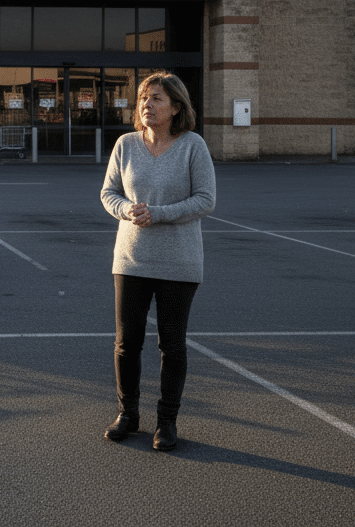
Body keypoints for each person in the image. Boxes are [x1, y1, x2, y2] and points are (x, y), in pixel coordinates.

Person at [99, 72, 216, 451]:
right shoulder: (125, 145)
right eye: (144, 99)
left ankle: (167, 422)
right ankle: (128, 414)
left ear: (176, 107)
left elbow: (205, 200)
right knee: (126, 344)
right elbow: (109, 192)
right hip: (131, 259)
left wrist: (159, 213)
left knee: (173, 345)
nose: (147, 105)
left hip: (179, 262)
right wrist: (126, 210)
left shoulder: (192, 146)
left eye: (156, 99)